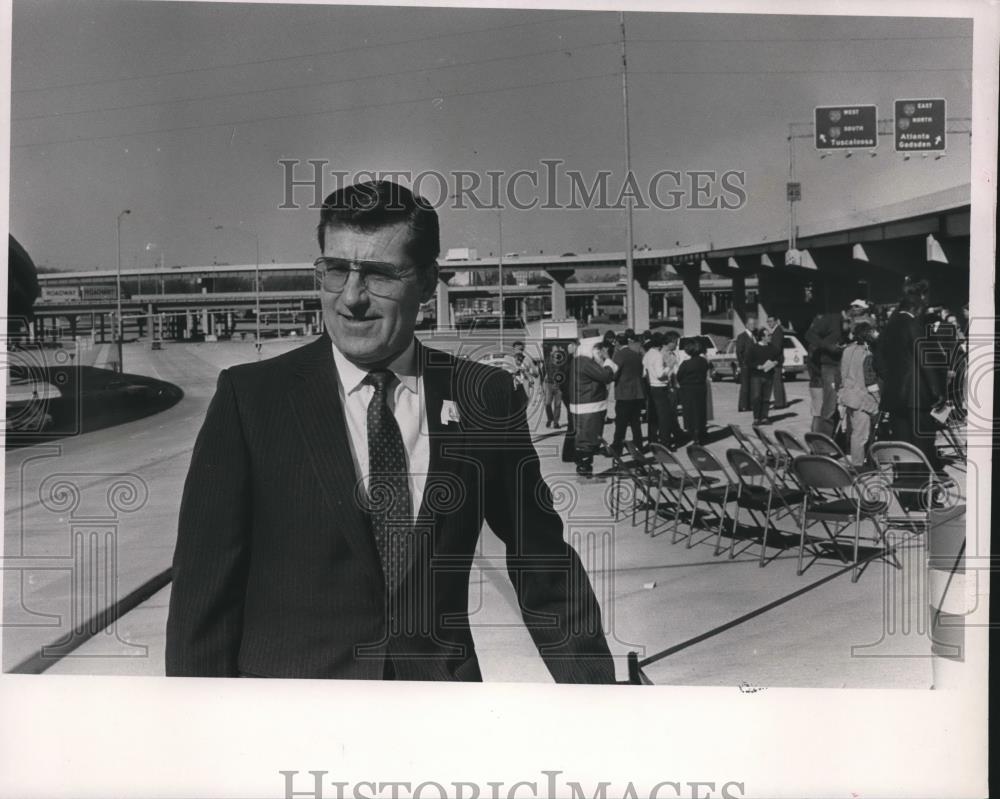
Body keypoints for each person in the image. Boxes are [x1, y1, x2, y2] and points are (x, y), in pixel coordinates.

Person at [166, 180, 615, 683]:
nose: (351, 298)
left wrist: (598, 704)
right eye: (336, 270)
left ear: (427, 282)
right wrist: (197, 735)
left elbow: (544, 565)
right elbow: (202, 597)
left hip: (434, 719)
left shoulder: (483, 395)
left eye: (379, 274)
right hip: (288, 721)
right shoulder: (251, 399)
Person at [874, 281, 946, 473]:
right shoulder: (912, 323)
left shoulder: (890, 325)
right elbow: (924, 359)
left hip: (895, 397)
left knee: (903, 446)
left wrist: (892, 380)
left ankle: (907, 493)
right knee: (922, 446)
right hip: (917, 397)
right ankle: (923, 493)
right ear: (920, 298)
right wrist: (937, 391)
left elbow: (878, 360)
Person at [566, 340, 617, 477]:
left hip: (583, 405)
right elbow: (606, 376)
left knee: (584, 437)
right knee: (588, 439)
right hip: (589, 406)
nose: (600, 353)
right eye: (598, 350)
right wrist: (607, 360)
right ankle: (584, 467)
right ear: (592, 349)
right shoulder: (585, 361)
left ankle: (583, 465)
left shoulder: (578, 360)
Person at [837, 322, 880, 467]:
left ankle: (857, 460)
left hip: (848, 396)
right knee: (861, 435)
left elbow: (842, 374)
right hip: (862, 398)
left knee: (853, 430)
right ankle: (858, 464)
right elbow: (870, 381)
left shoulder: (847, 350)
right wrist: (879, 398)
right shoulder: (867, 354)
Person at [804, 310, 844, 436]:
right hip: (818, 382)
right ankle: (818, 442)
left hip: (819, 381)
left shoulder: (816, 346)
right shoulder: (815, 347)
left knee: (824, 412)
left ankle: (824, 439)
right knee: (820, 413)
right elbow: (813, 366)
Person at [610, 332, 645, 455]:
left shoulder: (619, 355)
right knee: (636, 423)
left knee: (621, 423)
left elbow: (614, 374)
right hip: (637, 392)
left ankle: (617, 447)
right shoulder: (635, 355)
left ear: (618, 343)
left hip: (624, 393)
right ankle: (639, 446)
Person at [644, 332, 680, 449]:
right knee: (664, 417)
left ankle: (652, 440)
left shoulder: (648, 354)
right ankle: (665, 443)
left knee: (653, 417)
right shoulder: (658, 356)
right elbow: (660, 374)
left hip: (651, 387)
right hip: (660, 386)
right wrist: (670, 366)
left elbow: (644, 372)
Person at [676, 338, 710, 445]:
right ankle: (701, 431)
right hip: (700, 388)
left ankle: (694, 434)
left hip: (688, 390)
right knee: (700, 411)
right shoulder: (703, 361)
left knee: (690, 413)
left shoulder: (686, 363)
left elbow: (679, 376)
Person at [747, 327, 781, 425]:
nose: (770, 337)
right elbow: (748, 361)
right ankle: (756, 418)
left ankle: (765, 417)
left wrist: (776, 362)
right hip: (756, 376)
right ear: (762, 337)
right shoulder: (753, 348)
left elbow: (780, 357)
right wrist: (757, 366)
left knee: (766, 398)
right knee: (756, 397)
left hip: (768, 376)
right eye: (768, 335)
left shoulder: (772, 348)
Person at [734, 316, 757, 412]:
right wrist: (742, 364)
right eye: (751, 324)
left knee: (752, 385)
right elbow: (739, 352)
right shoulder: (742, 336)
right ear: (746, 325)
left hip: (753, 365)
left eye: (754, 324)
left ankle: (751, 405)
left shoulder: (754, 336)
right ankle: (743, 406)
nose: (753, 326)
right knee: (745, 386)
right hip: (745, 365)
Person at [540, 343, 567, 428]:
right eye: (555, 351)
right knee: (547, 403)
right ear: (551, 352)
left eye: (557, 351)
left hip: (559, 386)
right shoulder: (547, 361)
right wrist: (541, 385)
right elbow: (542, 373)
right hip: (549, 384)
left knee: (557, 405)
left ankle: (556, 422)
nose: (556, 353)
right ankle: (550, 418)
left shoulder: (562, 361)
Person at [766, 315, 787, 409]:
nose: (769, 323)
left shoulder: (777, 331)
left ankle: (779, 403)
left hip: (776, 360)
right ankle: (782, 401)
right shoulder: (775, 331)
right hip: (777, 359)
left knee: (776, 382)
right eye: (768, 321)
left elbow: (777, 348)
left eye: (771, 321)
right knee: (778, 381)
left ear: (776, 321)